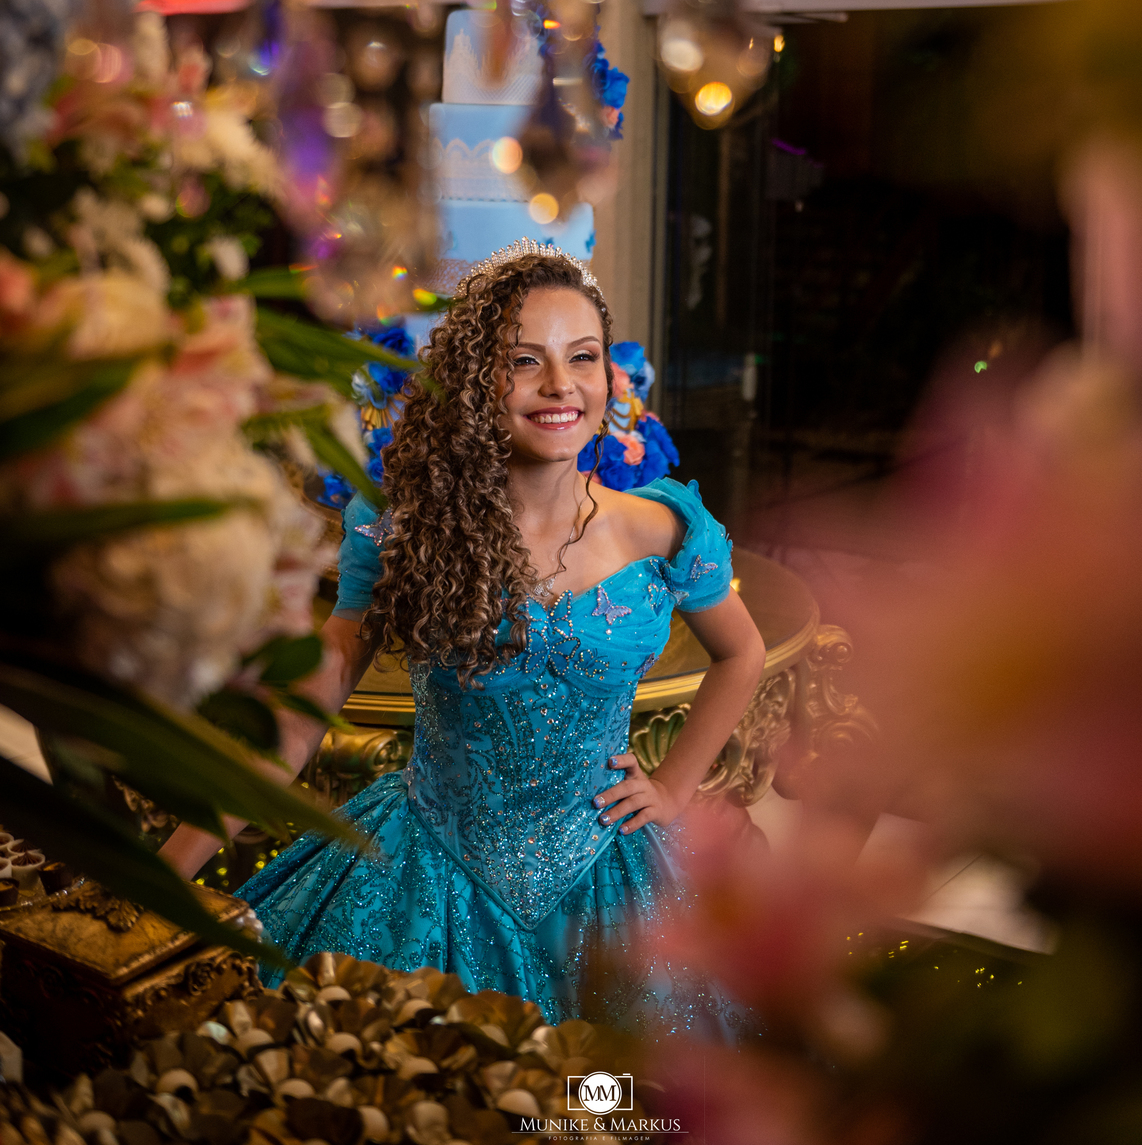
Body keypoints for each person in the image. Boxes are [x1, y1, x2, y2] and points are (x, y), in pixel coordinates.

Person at [160, 244, 766, 1030]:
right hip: (427, 871)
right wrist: (164, 872)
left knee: (607, 1096)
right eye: (525, 359)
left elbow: (742, 652)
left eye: (583, 356)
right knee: (413, 1086)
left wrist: (676, 785)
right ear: (477, 379)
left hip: (608, 873)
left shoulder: (663, 530)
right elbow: (300, 715)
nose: (561, 384)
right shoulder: (400, 527)